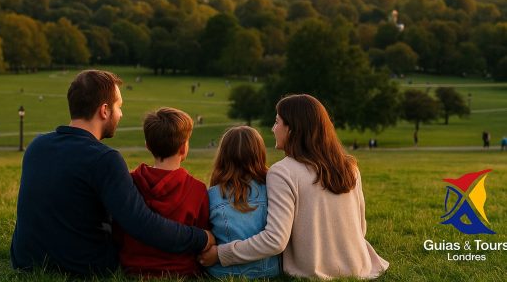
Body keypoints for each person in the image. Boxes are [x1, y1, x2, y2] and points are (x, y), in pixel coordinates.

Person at [10, 70, 213, 275]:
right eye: (119, 106)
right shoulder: (104, 159)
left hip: (26, 259)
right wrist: (202, 238)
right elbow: (144, 225)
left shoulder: (37, 145)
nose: (121, 114)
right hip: (82, 265)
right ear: (104, 110)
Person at [200, 94, 389, 279]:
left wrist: (220, 253)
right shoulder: (350, 167)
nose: (273, 129)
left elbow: (274, 241)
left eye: (277, 122)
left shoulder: (283, 172)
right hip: (359, 266)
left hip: (314, 271)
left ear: (292, 129)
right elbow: (360, 228)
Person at [116, 107, 209, 276]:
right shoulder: (197, 190)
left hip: (133, 268)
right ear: (183, 148)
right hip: (181, 271)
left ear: (147, 146)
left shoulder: (129, 183)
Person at [207, 126, 280, 279]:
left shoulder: (212, 195)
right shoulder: (272, 189)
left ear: (223, 156)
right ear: (259, 155)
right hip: (269, 270)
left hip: (224, 272)